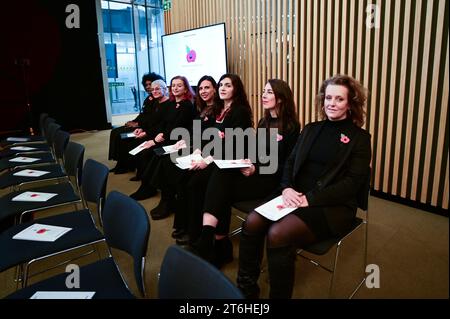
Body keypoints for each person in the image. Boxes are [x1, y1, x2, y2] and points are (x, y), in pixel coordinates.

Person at [237, 74, 372, 299]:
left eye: (339, 99)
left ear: (350, 103)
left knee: (277, 233)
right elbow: (290, 162)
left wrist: (311, 199)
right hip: (294, 195)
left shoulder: (360, 138)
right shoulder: (311, 128)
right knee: (252, 221)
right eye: (328, 97)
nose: (332, 103)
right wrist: (287, 188)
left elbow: (352, 184)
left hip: (332, 205)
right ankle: (245, 289)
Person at [193, 79, 301, 268]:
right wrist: (248, 160)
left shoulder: (291, 126)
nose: (263, 96)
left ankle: (214, 242)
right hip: (257, 172)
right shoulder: (263, 121)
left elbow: (287, 165)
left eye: (269, 92)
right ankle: (212, 238)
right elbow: (258, 152)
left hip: (272, 180)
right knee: (221, 172)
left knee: (221, 190)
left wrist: (256, 168)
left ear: (281, 98)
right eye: (263, 91)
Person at [129, 76, 195, 200]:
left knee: (151, 154)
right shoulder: (172, 103)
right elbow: (163, 124)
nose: (175, 88)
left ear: (186, 89)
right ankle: (146, 187)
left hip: (177, 140)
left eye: (179, 85)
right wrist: (152, 136)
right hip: (166, 138)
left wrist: (155, 140)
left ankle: (150, 189)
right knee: (144, 151)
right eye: (173, 85)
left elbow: (176, 127)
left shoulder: (187, 106)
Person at [108, 72, 164, 172]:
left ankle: (126, 165)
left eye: (150, 84)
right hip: (141, 125)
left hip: (145, 128)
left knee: (122, 136)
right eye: (146, 85)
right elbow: (143, 114)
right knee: (115, 132)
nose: (148, 87)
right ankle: (120, 163)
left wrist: (138, 124)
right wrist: (133, 121)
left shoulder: (158, 99)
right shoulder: (148, 98)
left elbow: (152, 119)